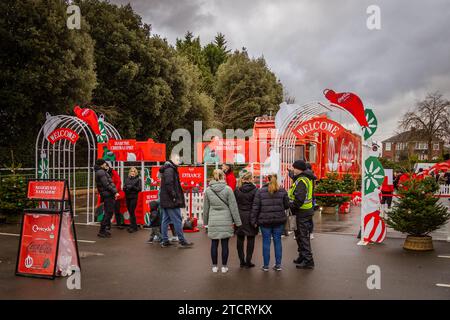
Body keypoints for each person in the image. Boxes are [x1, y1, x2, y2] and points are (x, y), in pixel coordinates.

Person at [203, 169, 242, 273]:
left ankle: (214, 266)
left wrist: (205, 222)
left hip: (213, 220)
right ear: (223, 177)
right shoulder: (228, 189)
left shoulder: (208, 190)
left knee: (214, 244)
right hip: (226, 219)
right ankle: (224, 266)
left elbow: (205, 208)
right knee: (225, 244)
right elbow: (233, 207)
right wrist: (237, 222)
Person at [251, 173, 289, 272]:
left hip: (265, 221)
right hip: (279, 220)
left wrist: (253, 220)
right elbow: (286, 205)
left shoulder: (260, 191)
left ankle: (266, 266)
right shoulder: (282, 191)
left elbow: (256, 207)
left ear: (267, 180)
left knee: (266, 242)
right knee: (277, 242)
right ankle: (278, 265)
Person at [159, 154, 193, 248]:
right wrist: (174, 196)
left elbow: (168, 184)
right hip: (171, 200)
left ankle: (165, 240)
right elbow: (169, 184)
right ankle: (182, 241)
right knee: (177, 220)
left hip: (166, 199)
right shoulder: (170, 169)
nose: (179, 161)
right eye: (177, 159)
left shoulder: (168, 168)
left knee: (165, 220)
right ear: (172, 160)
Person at [289, 160, 315, 269]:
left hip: (301, 212)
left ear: (298, 169)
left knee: (303, 236)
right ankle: (302, 256)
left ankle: (308, 260)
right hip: (305, 211)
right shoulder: (305, 178)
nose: (292, 169)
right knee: (299, 235)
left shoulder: (302, 181)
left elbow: (299, 199)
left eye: (294, 168)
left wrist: (291, 206)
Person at [234, 171, 258, 268]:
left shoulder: (237, 190)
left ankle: (241, 261)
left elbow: (234, 204)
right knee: (251, 238)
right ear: (250, 179)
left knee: (240, 238)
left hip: (239, 215)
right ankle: (248, 261)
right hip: (251, 216)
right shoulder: (255, 190)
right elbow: (256, 205)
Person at [94, 159, 119, 238]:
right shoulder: (101, 172)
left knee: (108, 212)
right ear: (102, 164)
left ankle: (103, 230)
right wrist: (115, 192)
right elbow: (107, 184)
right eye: (105, 163)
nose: (106, 164)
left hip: (107, 194)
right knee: (109, 212)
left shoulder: (101, 171)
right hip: (108, 195)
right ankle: (102, 231)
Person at [106, 163, 126, 230]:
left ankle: (119, 224)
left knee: (117, 210)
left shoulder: (113, 172)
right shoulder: (102, 173)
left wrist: (115, 191)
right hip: (107, 194)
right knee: (108, 211)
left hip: (115, 194)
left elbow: (118, 182)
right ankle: (108, 225)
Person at [123, 167, 141, 233]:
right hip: (127, 197)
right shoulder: (127, 179)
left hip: (134, 197)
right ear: (129, 172)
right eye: (131, 171)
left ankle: (133, 227)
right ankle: (134, 226)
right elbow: (124, 187)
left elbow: (139, 189)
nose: (132, 172)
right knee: (130, 212)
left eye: (134, 171)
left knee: (132, 211)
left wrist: (132, 187)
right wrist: (125, 187)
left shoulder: (138, 180)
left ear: (136, 172)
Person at [304, 163, 317, 239]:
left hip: (306, 199)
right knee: (310, 217)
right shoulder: (312, 176)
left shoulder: (305, 175)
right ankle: (311, 233)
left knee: (303, 217)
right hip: (311, 198)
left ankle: (306, 233)